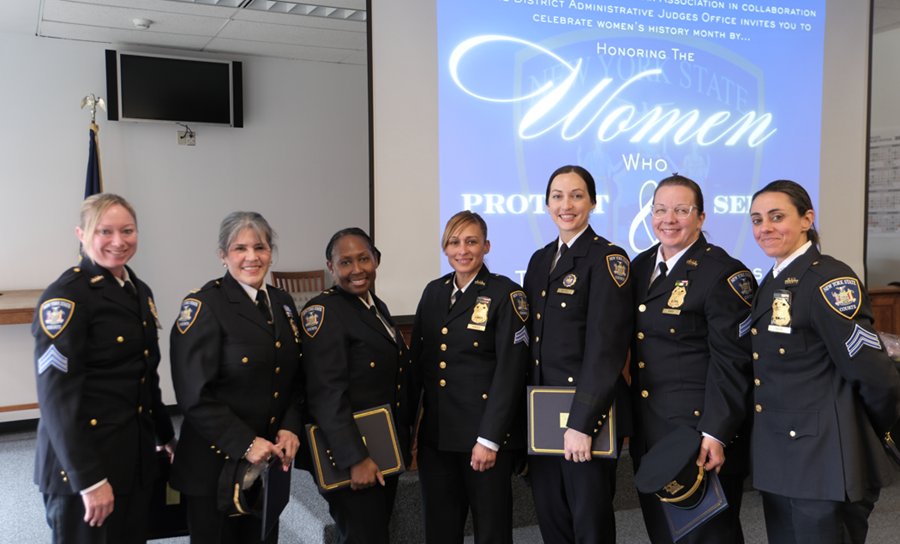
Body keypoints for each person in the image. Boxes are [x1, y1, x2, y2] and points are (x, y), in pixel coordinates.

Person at [748, 180, 900, 544]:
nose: (765, 228)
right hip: (784, 457)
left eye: (777, 216)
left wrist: (876, 429)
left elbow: (875, 375)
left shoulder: (828, 280)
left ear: (807, 219)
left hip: (824, 460)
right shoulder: (773, 279)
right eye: (756, 219)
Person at [33, 193, 176, 544]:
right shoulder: (66, 297)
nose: (118, 241)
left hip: (133, 457)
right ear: (82, 235)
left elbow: (146, 376)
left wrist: (164, 435)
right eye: (105, 231)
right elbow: (57, 401)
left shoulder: (139, 291)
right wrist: (89, 480)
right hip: (83, 465)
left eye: (127, 230)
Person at [629, 174, 756, 544]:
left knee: (709, 536)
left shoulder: (723, 274)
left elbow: (732, 363)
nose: (669, 219)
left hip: (700, 436)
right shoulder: (639, 268)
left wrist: (716, 432)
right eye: (660, 210)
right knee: (665, 534)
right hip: (651, 434)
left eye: (681, 210)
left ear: (700, 218)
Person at [169, 211, 304, 544]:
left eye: (260, 247)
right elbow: (193, 396)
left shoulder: (284, 303)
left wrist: (290, 425)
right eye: (239, 248)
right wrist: (245, 443)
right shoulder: (205, 306)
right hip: (214, 468)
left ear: (271, 252)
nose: (251, 257)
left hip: (267, 464)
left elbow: (296, 377)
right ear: (222, 255)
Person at [523, 165, 634, 544]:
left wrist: (582, 423)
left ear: (593, 202)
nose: (565, 205)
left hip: (585, 415)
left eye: (576, 195)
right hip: (543, 415)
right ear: (547, 202)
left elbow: (606, 350)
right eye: (557, 195)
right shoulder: (540, 261)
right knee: (553, 520)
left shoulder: (608, 259)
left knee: (590, 525)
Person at [410, 211, 530, 544]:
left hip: (484, 438)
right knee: (439, 531)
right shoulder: (433, 293)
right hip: (438, 439)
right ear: (445, 248)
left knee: (491, 532)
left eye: (471, 242)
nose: (462, 250)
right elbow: (419, 367)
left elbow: (510, 374)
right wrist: (410, 431)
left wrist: (489, 439)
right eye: (454, 242)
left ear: (486, 246)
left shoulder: (506, 295)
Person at [300, 228, 412, 544]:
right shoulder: (323, 313)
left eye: (364, 258)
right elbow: (325, 394)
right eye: (345, 262)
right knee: (364, 536)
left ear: (376, 259)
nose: (357, 269)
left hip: (381, 448)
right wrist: (355, 459)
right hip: (352, 454)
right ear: (330, 267)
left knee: (373, 534)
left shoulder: (374, 306)